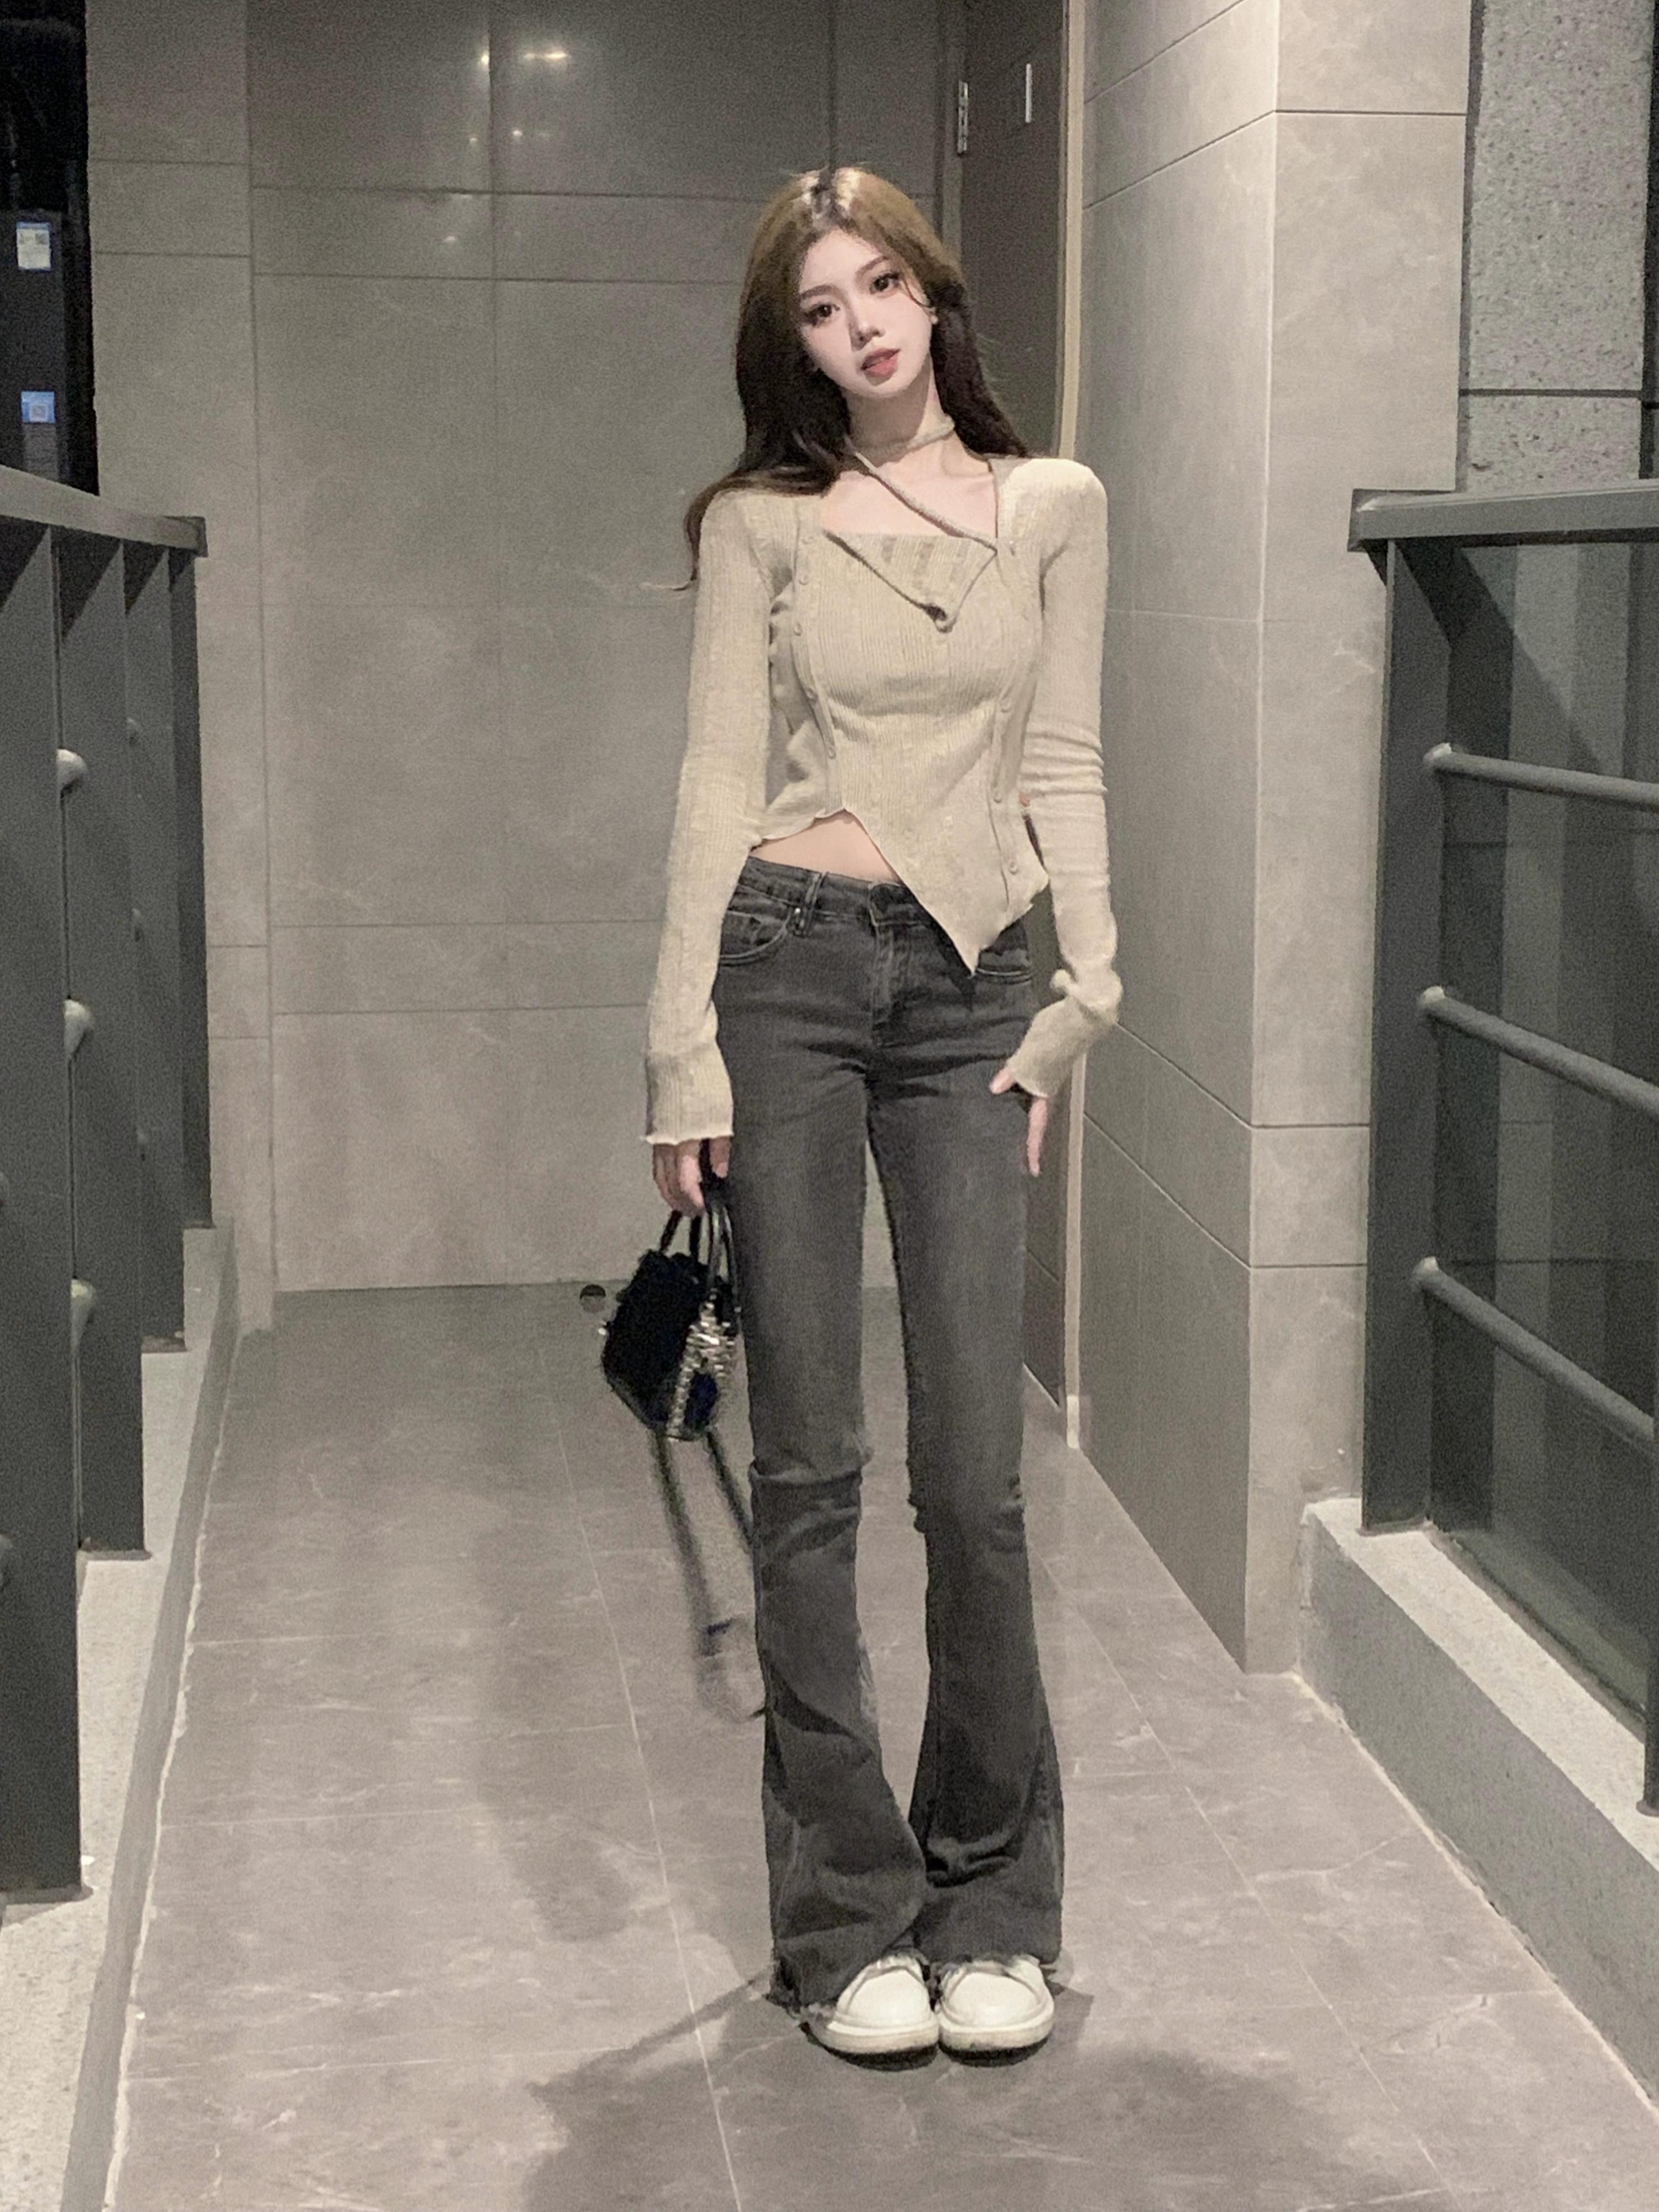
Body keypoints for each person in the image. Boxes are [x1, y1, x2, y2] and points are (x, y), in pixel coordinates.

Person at [644, 165, 1121, 2060]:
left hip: (980, 981)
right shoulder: (763, 523)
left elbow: (1064, 753)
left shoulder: (1054, 502)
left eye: (884, 287)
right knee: (810, 1468)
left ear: (935, 291)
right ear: (794, 344)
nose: (863, 328)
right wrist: (675, 1047)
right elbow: (715, 775)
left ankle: (992, 1898)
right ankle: (848, 1919)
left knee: (976, 1479)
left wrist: (1092, 990)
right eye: (822, 308)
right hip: (785, 962)